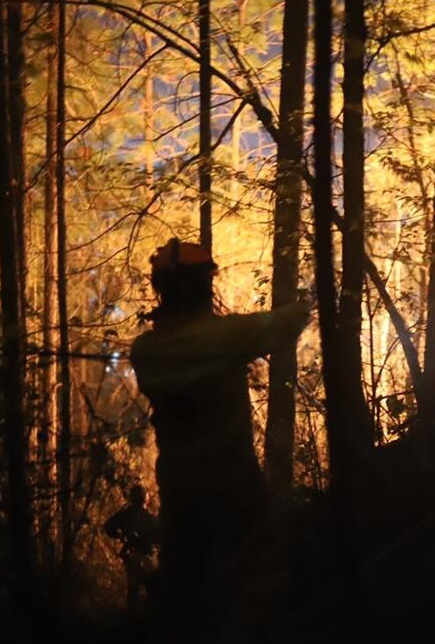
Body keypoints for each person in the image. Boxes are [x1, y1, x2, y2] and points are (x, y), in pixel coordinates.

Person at [130, 238, 309, 642]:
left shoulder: (146, 351)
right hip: (234, 484)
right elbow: (285, 322)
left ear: (161, 289)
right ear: (201, 287)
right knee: (257, 581)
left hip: (179, 488)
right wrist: (306, 304)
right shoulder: (227, 337)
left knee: (185, 586)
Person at [103, 484, 159, 615]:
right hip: (145, 557)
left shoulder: (125, 515)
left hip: (131, 556)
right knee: (151, 589)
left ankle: (133, 619)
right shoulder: (150, 518)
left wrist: (119, 535)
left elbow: (108, 526)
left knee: (134, 590)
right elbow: (160, 537)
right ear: (145, 499)